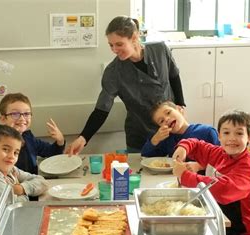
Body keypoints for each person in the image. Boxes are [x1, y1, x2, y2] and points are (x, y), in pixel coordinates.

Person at [66, 15, 186, 154]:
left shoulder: (160, 50)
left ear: (134, 37)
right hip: (140, 136)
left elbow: (174, 76)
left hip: (172, 128)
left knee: (174, 171)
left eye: (119, 44)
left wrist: (181, 105)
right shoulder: (113, 72)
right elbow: (102, 109)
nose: (114, 50)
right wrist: (83, 138)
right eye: (111, 45)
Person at [169, 110, 250, 235]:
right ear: (219, 136)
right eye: (226, 132)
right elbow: (197, 144)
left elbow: (224, 189)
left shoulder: (247, 166)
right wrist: (183, 147)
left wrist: (185, 176)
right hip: (220, 226)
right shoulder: (221, 153)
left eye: (239, 133)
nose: (232, 138)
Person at [0, 92, 65, 175]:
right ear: (3, 119)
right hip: (10, 191)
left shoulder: (28, 137)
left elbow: (52, 153)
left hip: (30, 186)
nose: (22, 118)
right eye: (15, 114)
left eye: (26, 114)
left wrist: (60, 140)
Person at [0, 124, 49, 221]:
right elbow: (17, 209)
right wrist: (25, 195)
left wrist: (21, 188)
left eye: (16, 152)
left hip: (20, 220)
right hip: (11, 229)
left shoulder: (10, 169)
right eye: (5, 149)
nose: (11, 156)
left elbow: (43, 182)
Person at [141, 101, 219, 158]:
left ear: (179, 109)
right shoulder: (167, 140)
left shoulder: (207, 132)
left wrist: (199, 166)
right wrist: (155, 139)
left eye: (168, 113)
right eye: (161, 121)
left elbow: (222, 159)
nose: (166, 119)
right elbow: (146, 154)